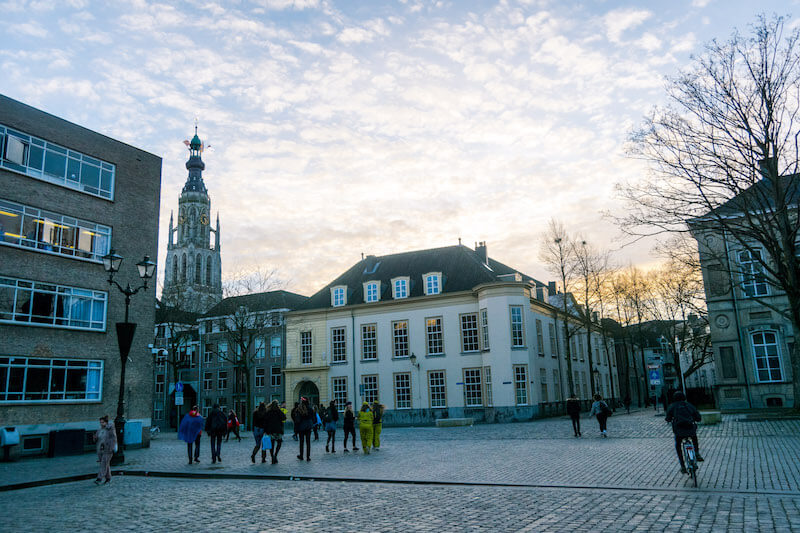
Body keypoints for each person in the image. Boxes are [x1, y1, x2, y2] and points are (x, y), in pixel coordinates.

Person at [665, 391, 704, 474]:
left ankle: (682, 466)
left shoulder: (672, 406)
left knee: (678, 445)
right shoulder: (689, 405)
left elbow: (668, 418)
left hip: (679, 431)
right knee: (694, 438)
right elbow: (698, 417)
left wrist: (669, 419)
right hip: (690, 428)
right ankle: (696, 453)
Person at [94, 415, 116, 485]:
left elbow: (114, 439)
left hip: (108, 449)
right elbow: (97, 439)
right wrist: (94, 438)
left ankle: (99, 478)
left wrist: (111, 448)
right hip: (100, 449)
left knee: (103, 463)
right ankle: (108, 478)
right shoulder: (99, 430)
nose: (101, 424)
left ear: (106, 422)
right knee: (105, 464)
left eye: (103, 422)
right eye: (100, 422)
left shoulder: (110, 429)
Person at [295, 397, 316, 461]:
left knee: (301, 442)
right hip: (308, 427)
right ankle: (308, 457)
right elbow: (314, 418)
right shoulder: (310, 409)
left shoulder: (299, 409)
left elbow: (297, 420)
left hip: (301, 427)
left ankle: (301, 455)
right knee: (308, 442)